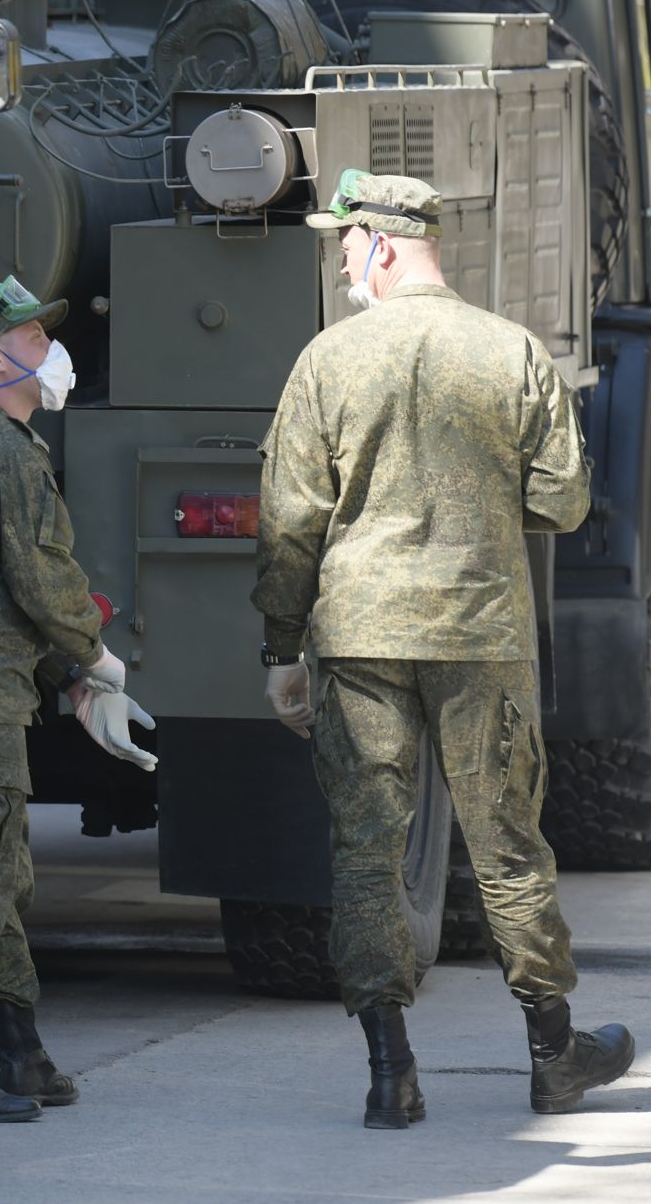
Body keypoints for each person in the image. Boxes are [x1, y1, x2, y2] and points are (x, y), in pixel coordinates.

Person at [253, 169, 635, 1128]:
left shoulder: (326, 361)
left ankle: (391, 1073)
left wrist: (280, 649)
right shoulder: (511, 352)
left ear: (382, 245)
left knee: (367, 851)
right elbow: (564, 501)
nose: (340, 257)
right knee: (507, 846)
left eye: (345, 242)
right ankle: (554, 1057)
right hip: (479, 631)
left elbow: (289, 524)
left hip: (359, 635)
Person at [0, 274, 159, 1123]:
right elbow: (41, 584)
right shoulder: (6, 452)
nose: (53, 352)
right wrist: (94, 657)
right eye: (38, 340)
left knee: (1, 873)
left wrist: (64, 672)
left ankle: (21, 1054)